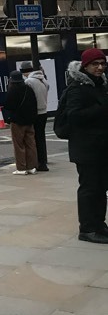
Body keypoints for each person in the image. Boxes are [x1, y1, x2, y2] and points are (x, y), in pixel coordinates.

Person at [63, 48, 108, 244]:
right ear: (85, 66)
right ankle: (87, 228)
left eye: (102, 63)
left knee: (101, 187)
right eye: (95, 64)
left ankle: (99, 224)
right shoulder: (77, 87)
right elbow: (74, 116)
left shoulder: (101, 85)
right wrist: (101, 108)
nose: (99, 67)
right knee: (89, 188)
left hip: (101, 146)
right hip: (86, 148)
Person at [4, 70, 38, 175]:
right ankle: (32, 167)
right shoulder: (29, 89)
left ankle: (21, 168)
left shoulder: (12, 91)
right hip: (29, 121)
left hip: (17, 121)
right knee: (31, 143)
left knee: (19, 145)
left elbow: (8, 106)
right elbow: (34, 103)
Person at [20, 61, 49, 171]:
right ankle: (43, 161)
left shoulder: (29, 82)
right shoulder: (43, 80)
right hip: (44, 112)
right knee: (41, 138)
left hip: (35, 113)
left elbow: (29, 99)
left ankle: (37, 162)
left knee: (33, 139)